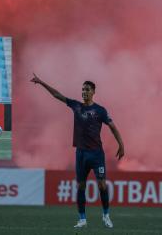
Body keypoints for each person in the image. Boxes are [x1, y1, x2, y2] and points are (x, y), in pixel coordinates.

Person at [30, 73, 125, 229]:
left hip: (96, 154)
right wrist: (41, 82)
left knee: (102, 185)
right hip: (81, 154)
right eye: (82, 90)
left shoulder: (100, 110)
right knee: (81, 186)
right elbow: (57, 95)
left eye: (87, 90)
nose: (84, 92)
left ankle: (106, 215)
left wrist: (121, 145)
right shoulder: (76, 106)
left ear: (93, 91)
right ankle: (82, 219)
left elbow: (113, 127)